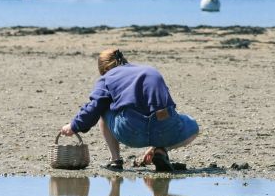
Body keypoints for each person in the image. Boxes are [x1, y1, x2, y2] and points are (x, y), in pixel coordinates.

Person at [60, 49, 199, 171]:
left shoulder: (107, 78)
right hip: (165, 129)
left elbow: (94, 107)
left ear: (104, 69)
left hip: (131, 131)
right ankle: (161, 150)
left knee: (104, 108)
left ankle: (115, 160)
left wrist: (73, 126)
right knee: (192, 126)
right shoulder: (149, 70)